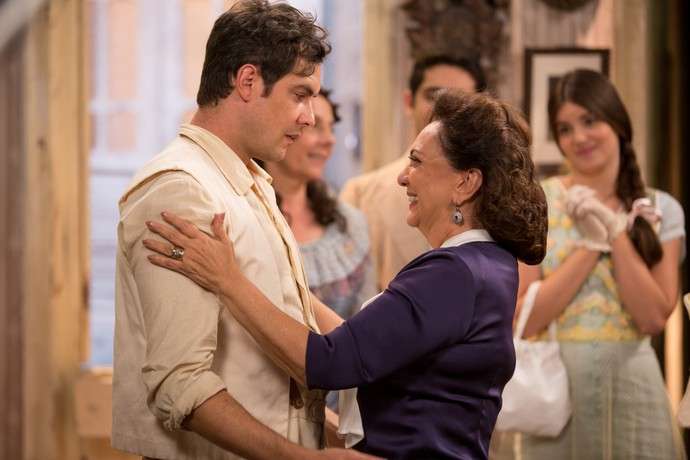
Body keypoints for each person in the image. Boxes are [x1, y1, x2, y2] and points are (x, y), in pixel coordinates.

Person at [142, 90, 549, 459]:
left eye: (417, 161)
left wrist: (228, 281)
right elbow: (365, 344)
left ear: (466, 182)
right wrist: (276, 278)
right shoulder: (488, 263)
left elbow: (328, 362)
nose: (402, 177)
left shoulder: (454, 273)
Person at [112, 1, 373, 459]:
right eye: (300, 94)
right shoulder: (182, 189)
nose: (310, 117)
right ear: (248, 81)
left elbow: (276, 386)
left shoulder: (248, 182)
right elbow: (181, 384)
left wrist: (341, 439)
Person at [514, 69, 686, 459]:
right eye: (565, 129)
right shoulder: (537, 203)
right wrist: (590, 246)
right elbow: (524, 316)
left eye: (590, 120)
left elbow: (653, 318)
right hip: (556, 396)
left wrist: (615, 235)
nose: (579, 137)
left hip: (634, 394)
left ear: (617, 122)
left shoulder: (660, 209)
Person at [340, 55, 485, 290]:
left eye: (461, 99)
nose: (445, 109)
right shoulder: (360, 194)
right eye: (434, 96)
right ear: (409, 102)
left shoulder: (494, 193)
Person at [261, 89, 375, 322]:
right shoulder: (247, 217)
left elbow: (370, 322)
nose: (329, 140)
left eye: (331, 128)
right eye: (314, 126)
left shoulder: (349, 224)